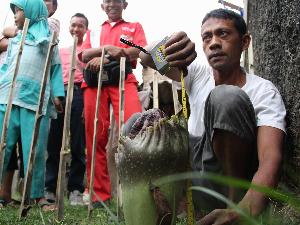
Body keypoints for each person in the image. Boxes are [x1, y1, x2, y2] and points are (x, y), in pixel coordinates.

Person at [139, 8, 286, 225]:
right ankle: (167, 212)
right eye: (207, 37)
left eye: (223, 34)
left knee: (225, 97)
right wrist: (172, 43)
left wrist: (243, 211)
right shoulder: (197, 75)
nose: (214, 43)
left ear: (245, 42)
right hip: (193, 176)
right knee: (141, 123)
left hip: (230, 186)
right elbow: (147, 55)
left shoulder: (263, 91)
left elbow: (270, 158)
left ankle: (230, 211)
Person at [80, 0, 147, 206]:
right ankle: (99, 195)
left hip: (123, 78)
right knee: (95, 136)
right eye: (107, 1)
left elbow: (141, 49)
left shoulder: (134, 26)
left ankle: (137, 193)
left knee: (135, 130)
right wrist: (108, 49)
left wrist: (105, 55)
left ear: (124, 4)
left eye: (116, 1)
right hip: (94, 82)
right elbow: (83, 55)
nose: (111, 4)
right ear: (102, 6)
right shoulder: (93, 31)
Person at [0, 0, 64, 210]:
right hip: (7, 99)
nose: (15, 15)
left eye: (17, 11)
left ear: (31, 11)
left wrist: (58, 95)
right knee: (3, 146)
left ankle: (37, 195)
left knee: (34, 150)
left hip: (34, 102)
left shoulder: (49, 41)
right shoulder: (16, 40)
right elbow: (6, 67)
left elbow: (55, 69)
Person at [44, 13, 88, 206]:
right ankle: (49, 188)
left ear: (86, 30)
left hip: (79, 93)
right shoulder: (60, 50)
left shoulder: (88, 51)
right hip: (59, 92)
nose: (76, 29)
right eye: (73, 25)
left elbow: (91, 78)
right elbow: (52, 73)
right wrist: (55, 95)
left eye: (80, 26)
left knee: (78, 144)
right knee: (53, 141)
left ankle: (76, 189)